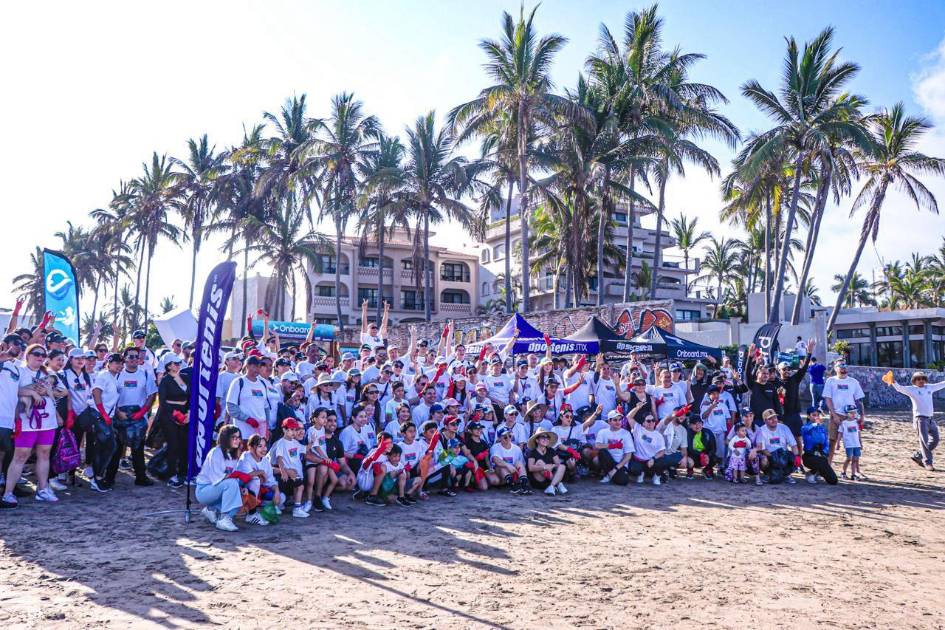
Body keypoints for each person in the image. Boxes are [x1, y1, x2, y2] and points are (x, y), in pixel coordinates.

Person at [2, 344, 61, 507]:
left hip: (47, 421)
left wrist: (47, 390)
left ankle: (42, 489)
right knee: (20, 456)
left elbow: (62, 392)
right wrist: (32, 392)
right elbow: (13, 390)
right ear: (27, 355)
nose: (40, 357)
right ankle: (8, 493)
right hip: (26, 421)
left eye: (43, 354)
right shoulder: (19, 370)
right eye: (36, 354)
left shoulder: (49, 373)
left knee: (44, 454)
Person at [105, 346, 157, 487]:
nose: (134, 359)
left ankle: (141, 477)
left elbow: (152, 395)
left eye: (136, 356)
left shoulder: (145, 374)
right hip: (120, 416)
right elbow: (110, 395)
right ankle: (109, 478)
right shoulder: (117, 374)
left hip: (138, 418)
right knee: (116, 449)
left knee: (138, 449)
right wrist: (117, 412)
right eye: (131, 356)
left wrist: (142, 412)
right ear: (125, 358)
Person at [885, 370, 945, 471]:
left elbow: (942, 384)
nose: (921, 380)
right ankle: (928, 463)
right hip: (920, 419)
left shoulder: (929, 387)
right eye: (918, 379)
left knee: (935, 440)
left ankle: (918, 455)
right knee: (924, 442)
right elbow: (900, 388)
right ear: (914, 381)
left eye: (922, 378)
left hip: (930, 419)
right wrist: (893, 381)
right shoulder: (912, 389)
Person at [194, 425, 244, 532]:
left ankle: (211, 509)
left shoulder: (233, 454)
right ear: (226, 438)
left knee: (238, 489)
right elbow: (217, 478)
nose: (237, 440)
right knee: (232, 484)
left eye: (238, 437)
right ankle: (224, 518)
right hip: (204, 490)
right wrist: (237, 476)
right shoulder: (216, 452)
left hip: (216, 489)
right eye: (234, 437)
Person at [156, 353, 189, 487]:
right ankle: (172, 474)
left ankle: (183, 473)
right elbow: (162, 401)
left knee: (184, 445)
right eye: (175, 363)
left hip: (185, 415)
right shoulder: (165, 380)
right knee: (173, 445)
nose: (178, 365)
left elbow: (190, 396)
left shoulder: (185, 377)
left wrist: (188, 413)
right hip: (169, 416)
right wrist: (175, 414)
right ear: (169, 366)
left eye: (179, 363)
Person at [822, 362, 865, 465]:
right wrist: (834, 415)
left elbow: (859, 400)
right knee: (832, 441)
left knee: (854, 442)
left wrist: (862, 416)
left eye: (845, 367)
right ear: (835, 368)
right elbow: (828, 399)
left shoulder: (853, 381)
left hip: (851, 416)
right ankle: (828, 466)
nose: (843, 369)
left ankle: (855, 470)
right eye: (840, 367)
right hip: (836, 414)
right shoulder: (831, 381)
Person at [235, 434, 281, 527]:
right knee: (255, 480)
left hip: (256, 492)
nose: (264, 449)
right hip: (239, 492)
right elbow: (246, 476)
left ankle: (257, 505)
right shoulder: (245, 457)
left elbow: (270, 481)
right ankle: (251, 514)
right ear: (251, 447)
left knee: (280, 497)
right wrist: (260, 472)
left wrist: (277, 491)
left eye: (265, 446)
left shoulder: (265, 461)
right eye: (260, 446)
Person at [269, 418, 309, 517]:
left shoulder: (295, 442)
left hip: (292, 474)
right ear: (284, 430)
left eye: (295, 429)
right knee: (299, 486)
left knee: (298, 487)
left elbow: (304, 449)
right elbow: (279, 458)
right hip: (285, 475)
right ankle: (296, 509)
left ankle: (294, 506)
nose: (293, 432)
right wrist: (283, 471)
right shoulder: (280, 443)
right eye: (291, 429)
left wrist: (314, 442)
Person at [225, 355, 271, 441]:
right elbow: (231, 407)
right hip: (244, 435)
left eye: (259, 366)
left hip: (260, 436)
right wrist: (247, 419)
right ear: (247, 366)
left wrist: (267, 427)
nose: (257, 369)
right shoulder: (238, 382)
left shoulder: (262, 383)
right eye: (254, 366)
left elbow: (266, 407)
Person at [754, 409, 800, 485]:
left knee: (792, 457)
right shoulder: (761, 430)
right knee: (765, 463)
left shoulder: (784, 428)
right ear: (765, 421)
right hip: (770, 456)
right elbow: (763, 449)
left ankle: (787, 474)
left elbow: (793, 445)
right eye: (770, 419)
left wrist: (797, 456)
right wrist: (774, 458)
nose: (774, 420)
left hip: (783, 455)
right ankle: (767, 474)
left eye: (775, 417)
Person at [626, 408, 668, 486]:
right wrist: (637, 408)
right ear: (643, 423)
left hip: (651, 461)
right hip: (639, 460)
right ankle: (640, 474)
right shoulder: (638, 428)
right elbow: (629, 417)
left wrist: (653, 459)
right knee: (634, 468)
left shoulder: (658, 435)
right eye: (648, 421)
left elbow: (662, 451)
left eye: (653, 420)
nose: (651, 422)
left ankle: (656, 476)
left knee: (663, 461)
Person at [800, 407, 838, 485]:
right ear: (808, 416)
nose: (816, 417)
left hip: (821, 456)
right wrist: (814, 424)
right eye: (814, 415)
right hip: (809, 456)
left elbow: (826, 442)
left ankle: (814, 473)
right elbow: (805, 430)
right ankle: (812, 474)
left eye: (817, 415)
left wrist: (824, 452)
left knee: (833, 479)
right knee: (821, 461)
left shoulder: (821, 428)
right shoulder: (805, 427)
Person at [595, 410, 634, 485]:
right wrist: (612, 446)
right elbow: (597, 446)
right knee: (601, 452)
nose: (618, 422)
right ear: (609, 421)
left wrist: (615, 469)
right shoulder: (602, 432)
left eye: (620, 420)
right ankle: (606, 474)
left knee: (623, 481)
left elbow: (628, 455)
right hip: (608, 460)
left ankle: (611, 474)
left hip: (620, 463)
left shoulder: (626, 433)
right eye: (615, 420)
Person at [489, 427, 531, 495]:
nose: (508, 438)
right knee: (501, 467)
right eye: (505, 437)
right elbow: (496, 460)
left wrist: (515, 470)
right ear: (499, 438)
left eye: (510, 436)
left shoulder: (517, 448)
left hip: (514, 473)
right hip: (500, 474)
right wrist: (507, 465)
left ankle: (524, 485)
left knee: (519, 463)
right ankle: (513, 486)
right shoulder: (495, 447)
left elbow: (522, 464)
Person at [526, 429, 566, 496]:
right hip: (538, 480)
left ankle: (552, 486)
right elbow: (530, 468)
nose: (546, 439)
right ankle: (558, 484)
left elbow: (558, 464)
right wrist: (544, 467)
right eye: (543, 437)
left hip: (550, 479)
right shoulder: (532, 452)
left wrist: (552, 466)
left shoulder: (551, 450)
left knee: (562, 466)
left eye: (547, 437)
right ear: (537, 440)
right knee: (540, 462)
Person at [685, 415, 718, 480]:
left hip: (705, 455)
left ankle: (707, 470)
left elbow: (713, 448)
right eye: (694, 424)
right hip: (693, 455)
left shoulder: (708, 432)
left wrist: (708, 455)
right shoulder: (687, 433)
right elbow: (690, 449)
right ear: (690, 425)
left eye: (699, 423)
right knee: (689, 460)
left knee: (714, 458)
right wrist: (701, 455)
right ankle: (690, 470)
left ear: (702, 424)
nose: (697, 426)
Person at [838, 405, 865, 481]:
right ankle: (843, 472)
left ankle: (853, 474)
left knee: (855, 459)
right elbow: (840, 433)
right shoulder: (844, 423)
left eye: (854, 412)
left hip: (856, 443)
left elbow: (858, 433)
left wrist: (860, 443)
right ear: (847, 414)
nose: (853, 414)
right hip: (848, 444)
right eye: (851, 413)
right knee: (849, 458)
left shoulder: (856, 423)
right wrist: (838, 443)